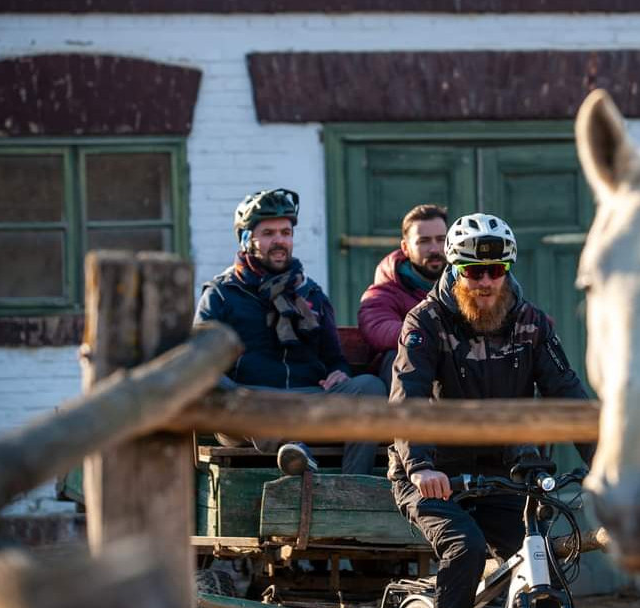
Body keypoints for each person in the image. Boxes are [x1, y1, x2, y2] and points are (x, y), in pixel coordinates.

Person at [388, 213, 590, 608]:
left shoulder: (531, 324)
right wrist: (421, 466)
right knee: (466, 549)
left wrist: (605, 464)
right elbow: (407, 398)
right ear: (454, 269)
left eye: (495, 271)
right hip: (435, 475)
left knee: (542, 559)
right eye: (473, 271)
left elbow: (569, 396)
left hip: (505, 474)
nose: (484, 283)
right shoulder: (425, 322)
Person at [195, 188, 382, 476]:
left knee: (370, 387)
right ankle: (293, 449)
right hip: (247, 407)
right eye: (268, 233)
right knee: (212, 382)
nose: (279, 240)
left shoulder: (311, 293)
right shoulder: (221, 293)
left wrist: (340, 372)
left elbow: (334, 358)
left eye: (286, 232)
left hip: (306, 403)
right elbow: (199, 362)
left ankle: (353, 486)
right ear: (246, 239)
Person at [358, 204, 448, 388]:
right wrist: (433, 335)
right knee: (401, 354)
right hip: (410, 379)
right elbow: (378, 327)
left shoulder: (470, 282)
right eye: (424, 241)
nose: (434, 249)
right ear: (406, 247)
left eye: (441, 239)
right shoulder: (384, 291)